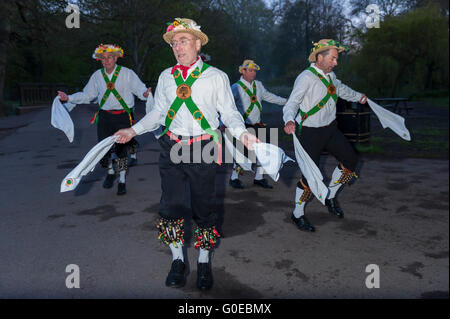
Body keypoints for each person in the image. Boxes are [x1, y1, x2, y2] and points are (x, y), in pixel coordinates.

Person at [113, 18, 259, 290]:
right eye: (174, 42)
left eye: (184, 40)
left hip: (203, 147)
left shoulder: (216, 76)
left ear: (198, 43)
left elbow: (229, 112)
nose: (178, 47)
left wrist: (242, 133)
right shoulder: (166, 76)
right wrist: (133, 130)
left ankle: (203, 261)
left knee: (204, 208)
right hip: (172, 146)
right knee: (171, 207)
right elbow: (157, 113)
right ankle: (178, 260)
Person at [283, 39, 368, 232]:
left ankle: (330, 196)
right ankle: (297, 214)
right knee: (310, 177)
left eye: (336, 59)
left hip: (330, 129)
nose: (335, 63)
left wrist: (358, 97)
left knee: (351, 161)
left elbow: (342, 89)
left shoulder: (331, 76)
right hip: (310, 133)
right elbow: (292, 103)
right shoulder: (305, 77)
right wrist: (289, 120)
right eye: (333, 58)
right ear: (320, 57)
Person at [57, 44, 152, 195]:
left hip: (123, 116)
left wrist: (145, 94)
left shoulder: (127, 73)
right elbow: (87, 95)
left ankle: (121, 179)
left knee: (121, 151)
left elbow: (140, 89)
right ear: (100, 60)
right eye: (103, 58)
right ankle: (109, 171)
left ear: (116, 58)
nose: (106, 60)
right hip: (104, 116)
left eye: (109, 57)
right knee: (103, 149)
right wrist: (69, 97)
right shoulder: (97, 76)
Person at [229, 59, 287, 189]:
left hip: (258, 124)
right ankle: (234, 177)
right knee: (242, 153)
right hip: (242, 126)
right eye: (250, 70)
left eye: (255, 71)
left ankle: (259, 178)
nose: (253, 73)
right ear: (243, 71)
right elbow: (227, 106)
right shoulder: (235, 87)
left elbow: (269, 97)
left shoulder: (258, 85)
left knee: (263, 152)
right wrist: (222, 122)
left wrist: (286, 101)